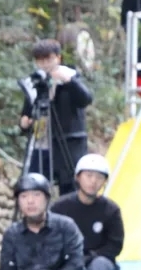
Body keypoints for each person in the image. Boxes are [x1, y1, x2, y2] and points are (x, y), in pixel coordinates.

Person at [19, 40, 93, 196]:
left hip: (68, 145)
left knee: (70, 191)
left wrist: (69, 81)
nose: (44, 64)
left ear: (58, 58)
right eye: (40, 60)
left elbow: (85, 99)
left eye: (48, 59)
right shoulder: (35, 81)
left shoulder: (70, 76)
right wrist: (25, 122)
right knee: (34, 185)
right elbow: (27, 111)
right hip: (41, 145)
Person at [50, 153, 124, 270]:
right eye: (89, 176)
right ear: (78, 177)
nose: (93, 181)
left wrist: (90, 257)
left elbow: (114, 246)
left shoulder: (111, 210)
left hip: (96, 262)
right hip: (67, 261)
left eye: (99, 177)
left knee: (103, 265)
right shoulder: (60, 207)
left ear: (104, 181)